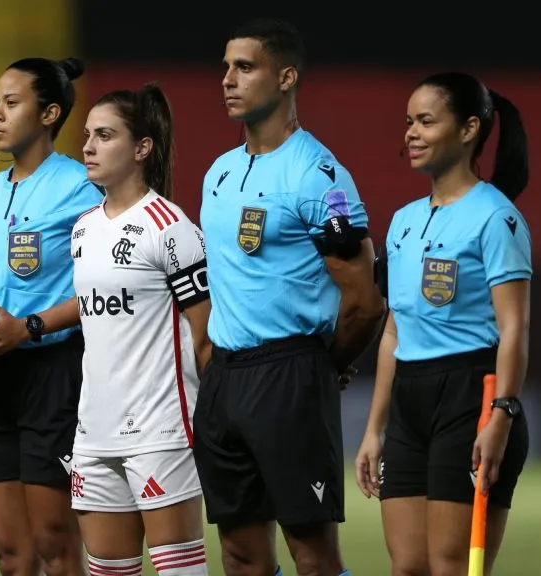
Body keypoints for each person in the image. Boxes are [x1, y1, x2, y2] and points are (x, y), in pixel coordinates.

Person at [0, 83, 213, 576]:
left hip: (159, 430)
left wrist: (213, 420)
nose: (89, 147)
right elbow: (91, 306)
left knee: (180, 570)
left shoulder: (172, 227)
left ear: (142, 148)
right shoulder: (85, 228)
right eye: (88, 136)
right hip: (94, 433)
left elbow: (204, 337)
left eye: (105, 135)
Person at [192, 19, 385, 576]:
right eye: (225, 66)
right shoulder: (219, 173)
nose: (227, 79)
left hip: (289, 375)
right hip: (225, 379)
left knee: (311, 554)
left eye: (244, 67)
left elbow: (365, 301)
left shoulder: (318, 177)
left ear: (286, 77)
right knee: (239, 554)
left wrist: (327, 364)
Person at [355, 72, 532, 576]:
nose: (410, 132)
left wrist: (502, 415)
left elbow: (515, 328)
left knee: (449, 566)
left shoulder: (497, 218)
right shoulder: (404, 220)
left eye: (426, 121)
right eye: (408, 121)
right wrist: (374, 429)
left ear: (469, 129)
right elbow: (394, 330)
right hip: (411, 401)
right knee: (408, 565)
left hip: (471, 398)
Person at [0, 56, 103, 576]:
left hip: (53, 373)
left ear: (49, 114)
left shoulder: (80, 187)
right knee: (11, 553)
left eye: (11, 103)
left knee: (54, 544)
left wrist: (29, 326)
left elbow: (102, 288)